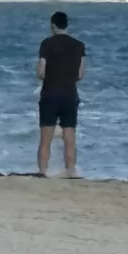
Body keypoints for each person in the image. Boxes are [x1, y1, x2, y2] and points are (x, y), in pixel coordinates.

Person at [36, 10, 85, 176]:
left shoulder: (47, 44)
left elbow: (41, 72)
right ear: (66, 25)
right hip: (70, 94)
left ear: (53, 25)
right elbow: (80, 74)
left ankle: (43, 171)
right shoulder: (79, 45)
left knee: (46, 138)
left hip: (50, 93)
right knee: (69, 136)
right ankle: (71, 171)